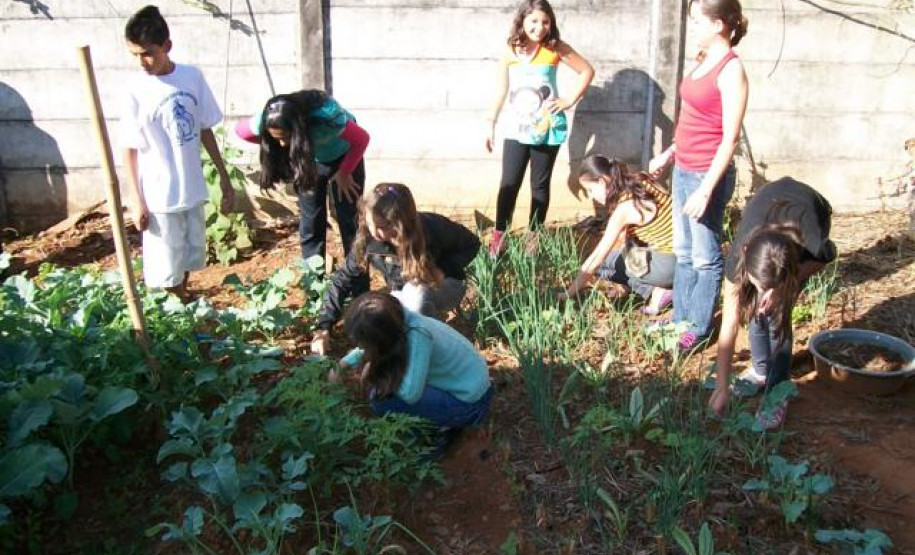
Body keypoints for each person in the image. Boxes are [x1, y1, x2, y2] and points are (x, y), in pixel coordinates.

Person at [648, 0, 749, 352]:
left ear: (719, 24)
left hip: (708, 174)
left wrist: (707, 189)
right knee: (684, 250)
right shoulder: (702, 60)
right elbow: (691, 118)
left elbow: (729, 138)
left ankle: (699, 328)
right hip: (684, 169)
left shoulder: (730, 69)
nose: (692, 27)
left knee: (706, 255)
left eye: (697, 21)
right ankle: (680, 320)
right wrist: (670, 152)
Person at [121, 5, 235, 296]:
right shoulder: (134, 88)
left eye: (148, 52)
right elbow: (130, 147)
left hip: (192, 188)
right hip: (160, 194)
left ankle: (183, 299)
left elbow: (204, 128)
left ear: (167, 46)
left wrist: (224, 177)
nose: (142, 62)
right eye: (135, 54)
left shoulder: (191, 77)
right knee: (165, 263)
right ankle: (175, 312)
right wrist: (136, 200)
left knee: (189, 255)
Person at [709, 177, 836, 429]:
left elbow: (826, 257)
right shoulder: (738, 257)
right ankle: (760, 369)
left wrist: (782, 290)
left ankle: (777, 392)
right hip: (767, 204)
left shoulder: (811, 242)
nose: (763, 292)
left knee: (777, 314)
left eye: (771, 286)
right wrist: (721, 386)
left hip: (811, 209)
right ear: (745, 253)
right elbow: (729, 325)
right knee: (753, 305)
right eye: (759, 283)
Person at [311, 183, 480, 355]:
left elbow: (472, 244)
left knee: (417, 296)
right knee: (380, 313)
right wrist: (323, 327)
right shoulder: (368, 238)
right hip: (403, 292)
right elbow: (343, 278)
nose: (375, 232)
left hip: (447, 285)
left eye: (383, 226)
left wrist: (442, 270)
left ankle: (429, 351)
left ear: (401, 222)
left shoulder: (432, 227)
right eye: (371, 224)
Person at [485, 0, 594, 255]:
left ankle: (533, 239)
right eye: (534, 21)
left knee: (540, 185)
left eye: (545, 22)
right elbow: (501, 90)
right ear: (522, 20)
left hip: (546, 127)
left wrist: (569, 100)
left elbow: (587, 71)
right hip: (516, 129)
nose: (540, 27)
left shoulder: (555, 48)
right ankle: (499, 238)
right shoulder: (512, 50)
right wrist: (489, 124)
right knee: (509, 182)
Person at [334, 292, 493, 451]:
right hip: (466, 388)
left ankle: (440, 430)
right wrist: (344, 363)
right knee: (385, 383)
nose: (363, 347)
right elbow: (374, 347)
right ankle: (442, 421)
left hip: (470, 405)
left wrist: (374, 375)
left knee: (381, 398)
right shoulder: (399, 319)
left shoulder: (419, 335)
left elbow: (411, 394)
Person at [235, 90, 369, 261]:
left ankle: (356, 279)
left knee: (349, 219)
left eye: (286, 137)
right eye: (277, 138)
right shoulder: (267, 118)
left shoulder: (327, 117)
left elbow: (362, 138)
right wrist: (272, 143)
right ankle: (313, 280)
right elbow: (240, 131)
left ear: (299, 127)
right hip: (309, 159)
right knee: (311, 220)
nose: (282, 143)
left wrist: (345, 172)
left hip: (345, 155)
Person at [560, 155, 675, 315]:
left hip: (667, 266)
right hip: (684, 257)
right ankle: (655, 287)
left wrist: (567, 294)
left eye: (590, 190)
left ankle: (658, 290)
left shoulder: (624, 208)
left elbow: (596, 259)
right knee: (621, 256)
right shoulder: (641, 180)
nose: (591, 196)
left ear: (601, 181)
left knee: (604, 265)